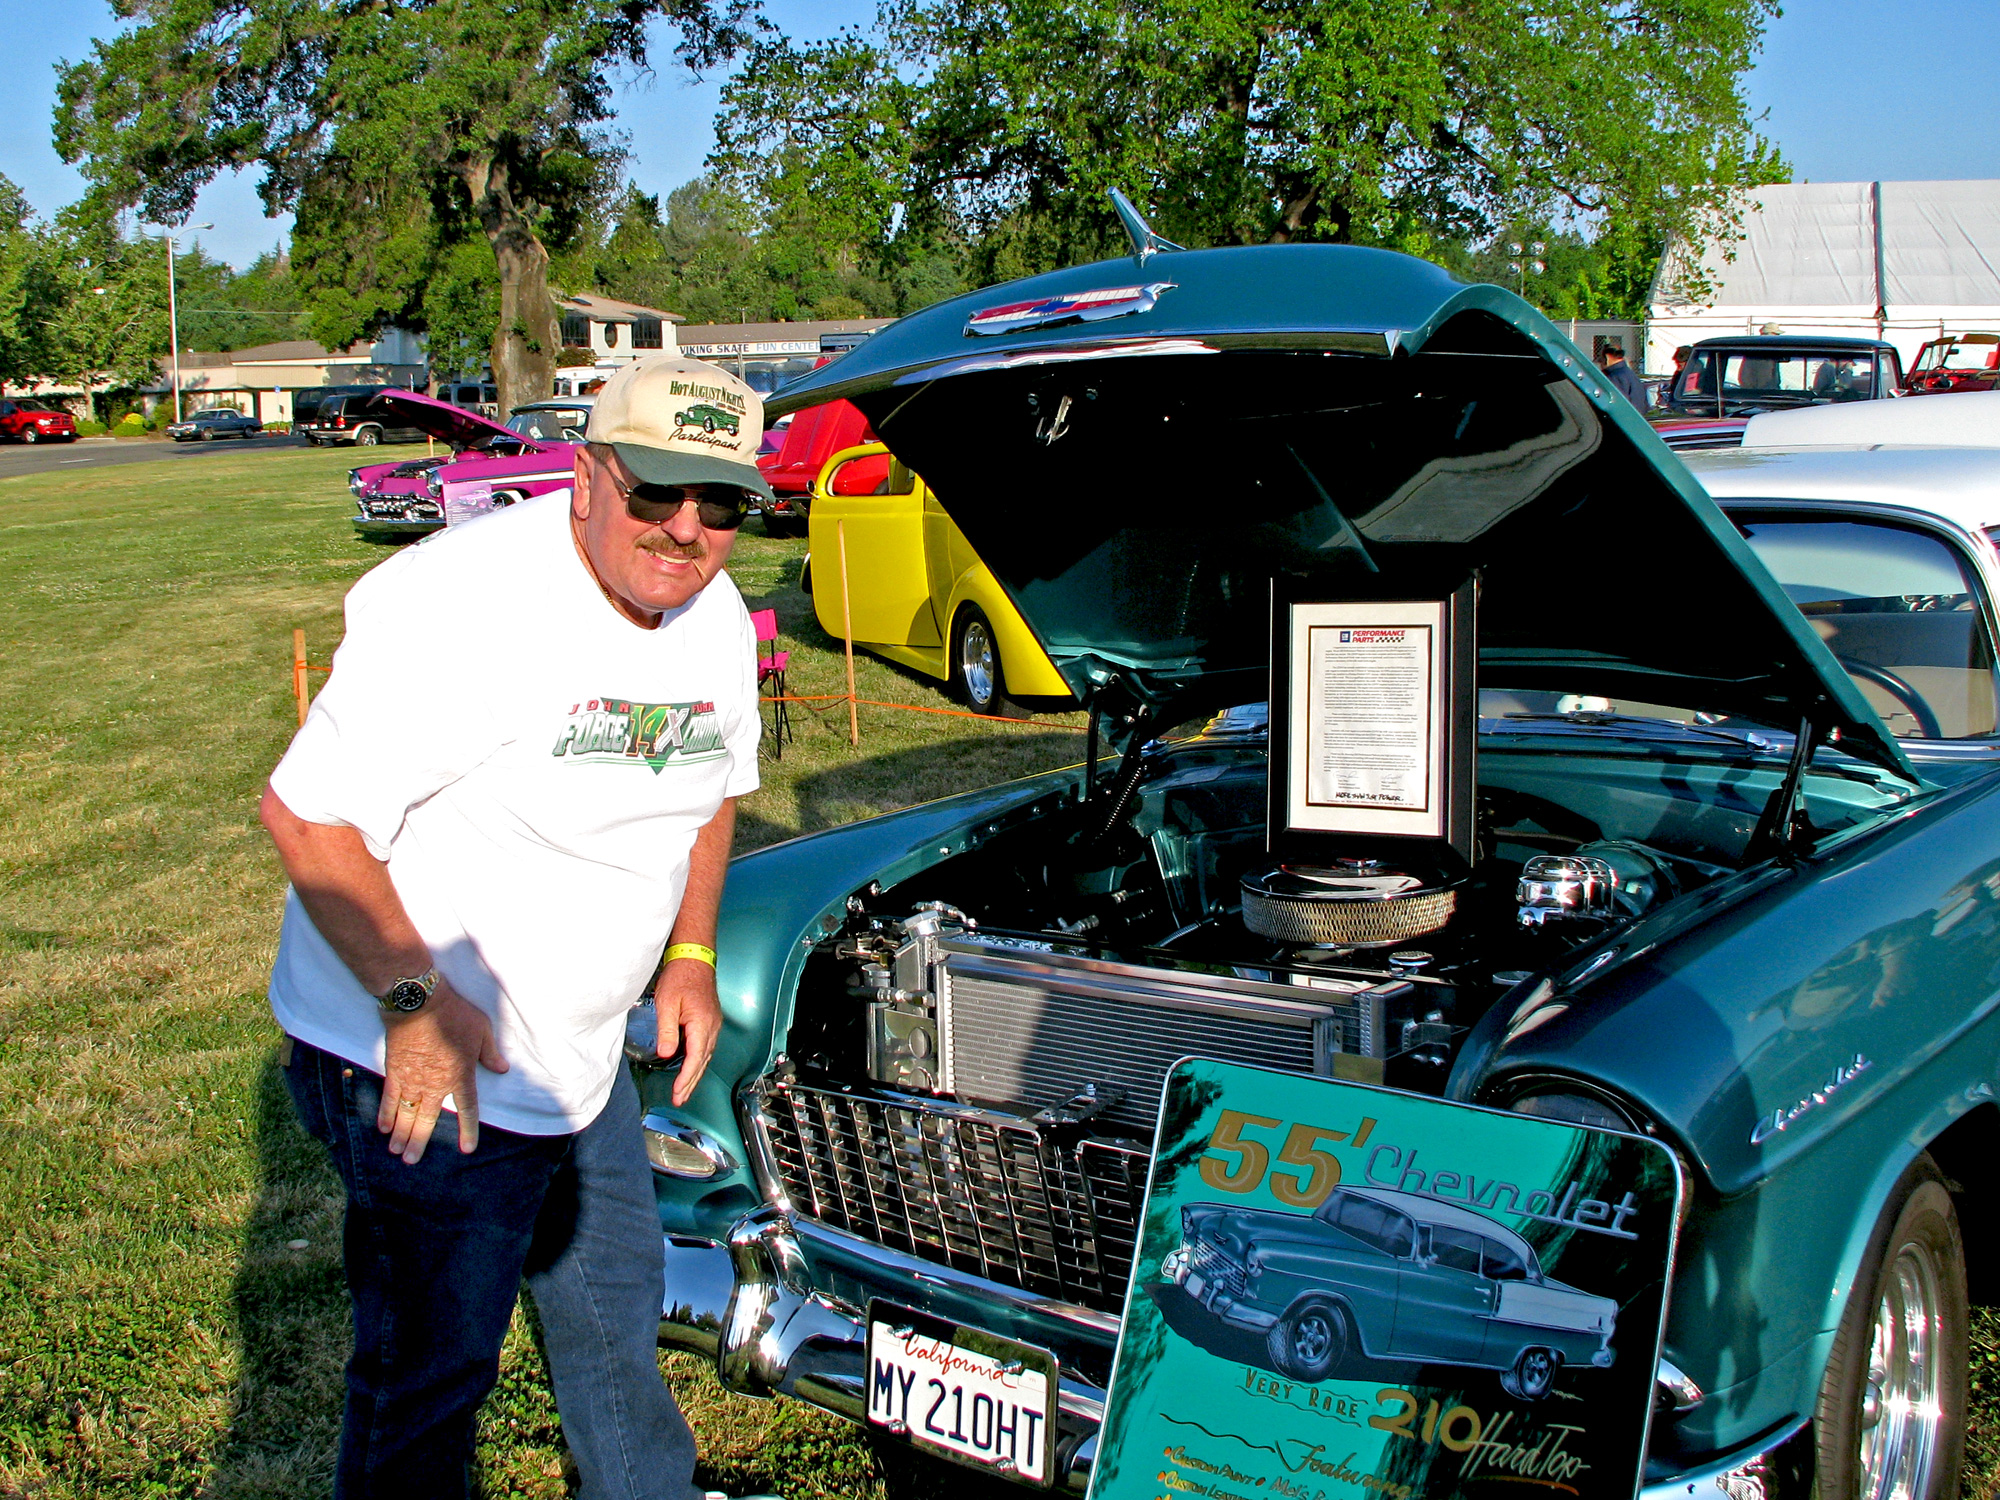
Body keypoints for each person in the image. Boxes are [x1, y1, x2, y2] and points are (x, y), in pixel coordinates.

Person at [259, 353, 775, 1499]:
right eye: (655, 491)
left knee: (613, 1319)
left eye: (721, 503)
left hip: (580, 1058)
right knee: (431, 1375)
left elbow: (712, 783)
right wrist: (416, 1006)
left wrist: (688, 953)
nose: (685, 530)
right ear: (588, 477)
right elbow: (308, 816)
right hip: (430, 1065)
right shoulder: (463, 602)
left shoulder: (715, 613)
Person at [1597, 342, 1646, 407]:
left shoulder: (1614, 377)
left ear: (1607, 357)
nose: (1600, 364)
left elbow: (1615, 406)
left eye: (1600, 360)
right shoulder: (1630, 375)